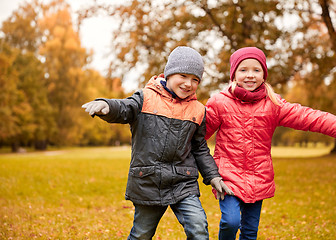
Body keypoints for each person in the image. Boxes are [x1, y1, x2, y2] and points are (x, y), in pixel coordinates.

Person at [204, 46, 336, 240]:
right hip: (228, 177)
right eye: (243, 70)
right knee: (231, 222)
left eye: (256, 70)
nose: (250, 75)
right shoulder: (219, 102)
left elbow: (308, 117)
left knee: (250, 232)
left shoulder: (273, 104)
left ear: (264, 75)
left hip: (258, 176)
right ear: (233, 74)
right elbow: (198, 136)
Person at [82, 46, 234, 240]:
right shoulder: (145, 98)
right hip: (149, 180)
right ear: (169, 74)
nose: (189, 83)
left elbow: (200, 149)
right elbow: (124, 108)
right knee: (141, 234)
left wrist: (213, 176)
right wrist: (107, 105)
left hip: (183, 182)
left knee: (199, 228)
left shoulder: (198, 110)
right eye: (183, 76)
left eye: (195, 79)